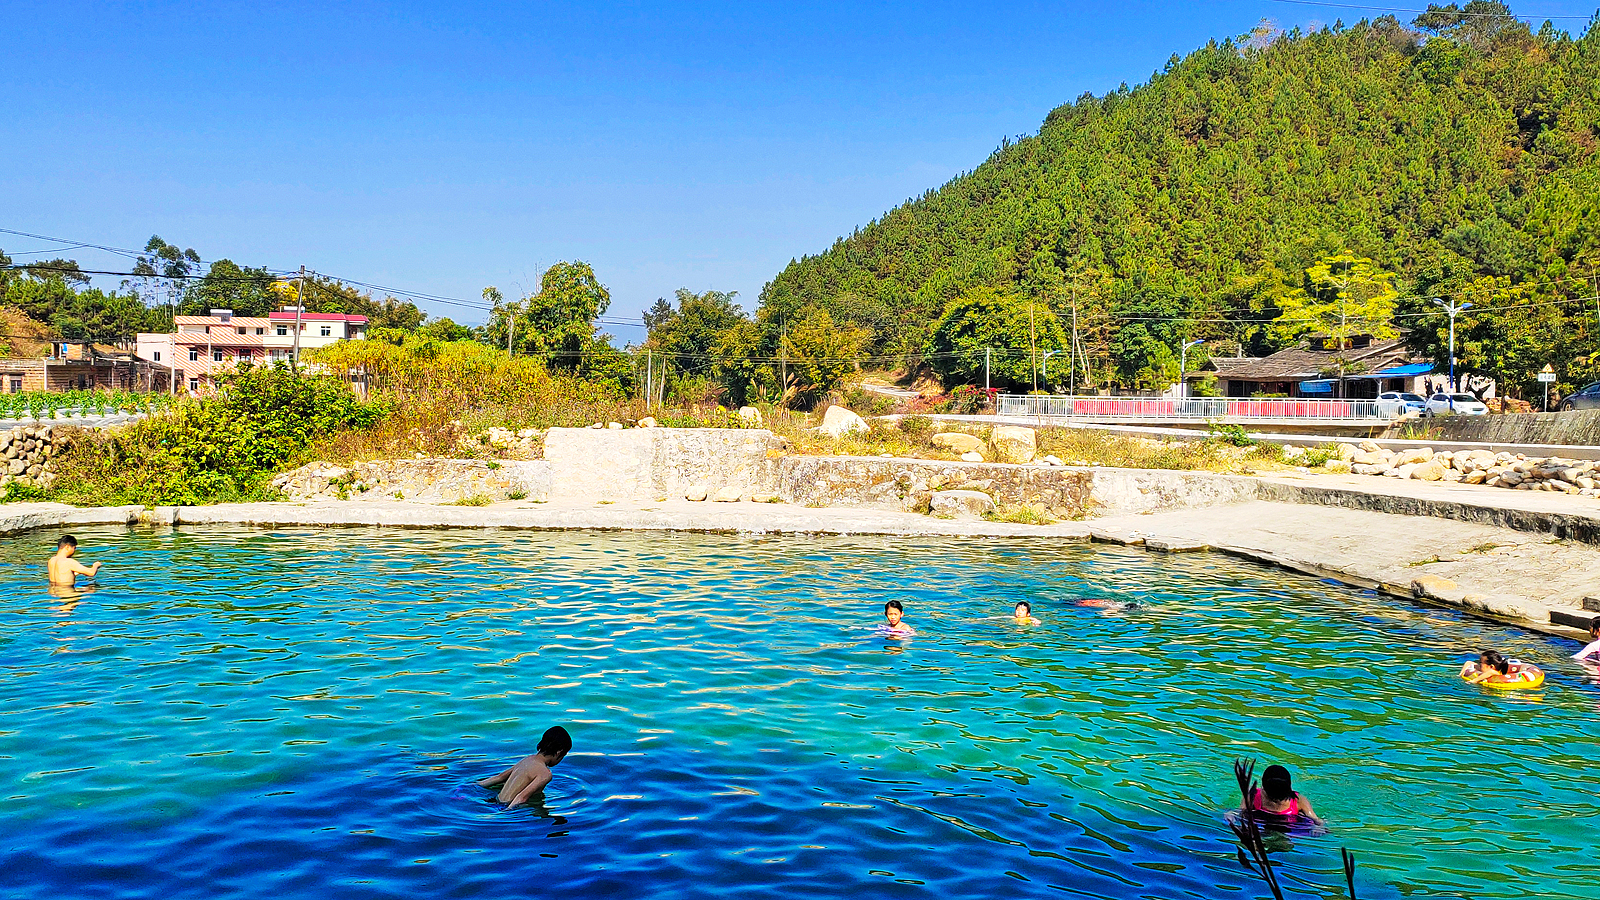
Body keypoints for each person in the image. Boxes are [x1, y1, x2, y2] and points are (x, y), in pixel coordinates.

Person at [479, 725, 572, 808]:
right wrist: (506, 812)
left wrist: (473, 786)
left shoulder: (528, 759)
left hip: (494, 800)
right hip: (506, 806)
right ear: (559, 752)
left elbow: (499, 777)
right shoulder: (545, 774)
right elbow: (522, 798)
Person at [1242, 764, 1323, 828]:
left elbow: (1316, 820)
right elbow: (1239, 811)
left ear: (1263, 786)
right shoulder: (1253, 796)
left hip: (1285, 825)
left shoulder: (1298, 801)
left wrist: (1318, 828)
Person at [1460, 650, 1543, 686]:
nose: (1478, 664)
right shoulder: (1490, 669)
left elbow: (1491, 672)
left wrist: (1474, 680)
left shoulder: (1496, 673)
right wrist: (1460, 675)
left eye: (1480, 663)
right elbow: (1469, 663)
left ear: (1491, 666)